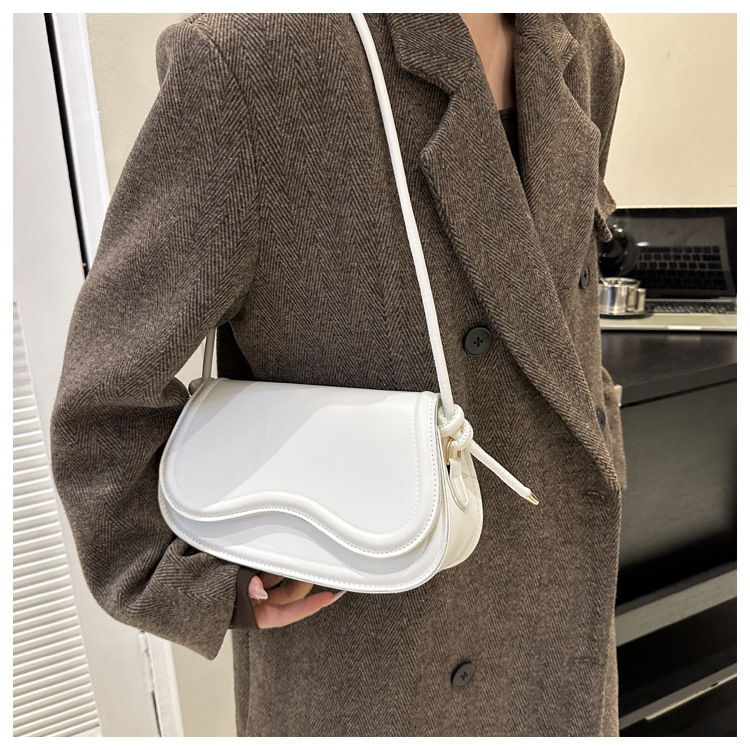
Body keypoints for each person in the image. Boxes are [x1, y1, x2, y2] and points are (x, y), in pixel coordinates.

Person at [50, 13, 628, 736]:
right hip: (375, 641)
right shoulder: (254, 62)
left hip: (559, 606)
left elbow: (554, 330)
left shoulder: (581, 44)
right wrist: (196, 582)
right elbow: (104, 398)